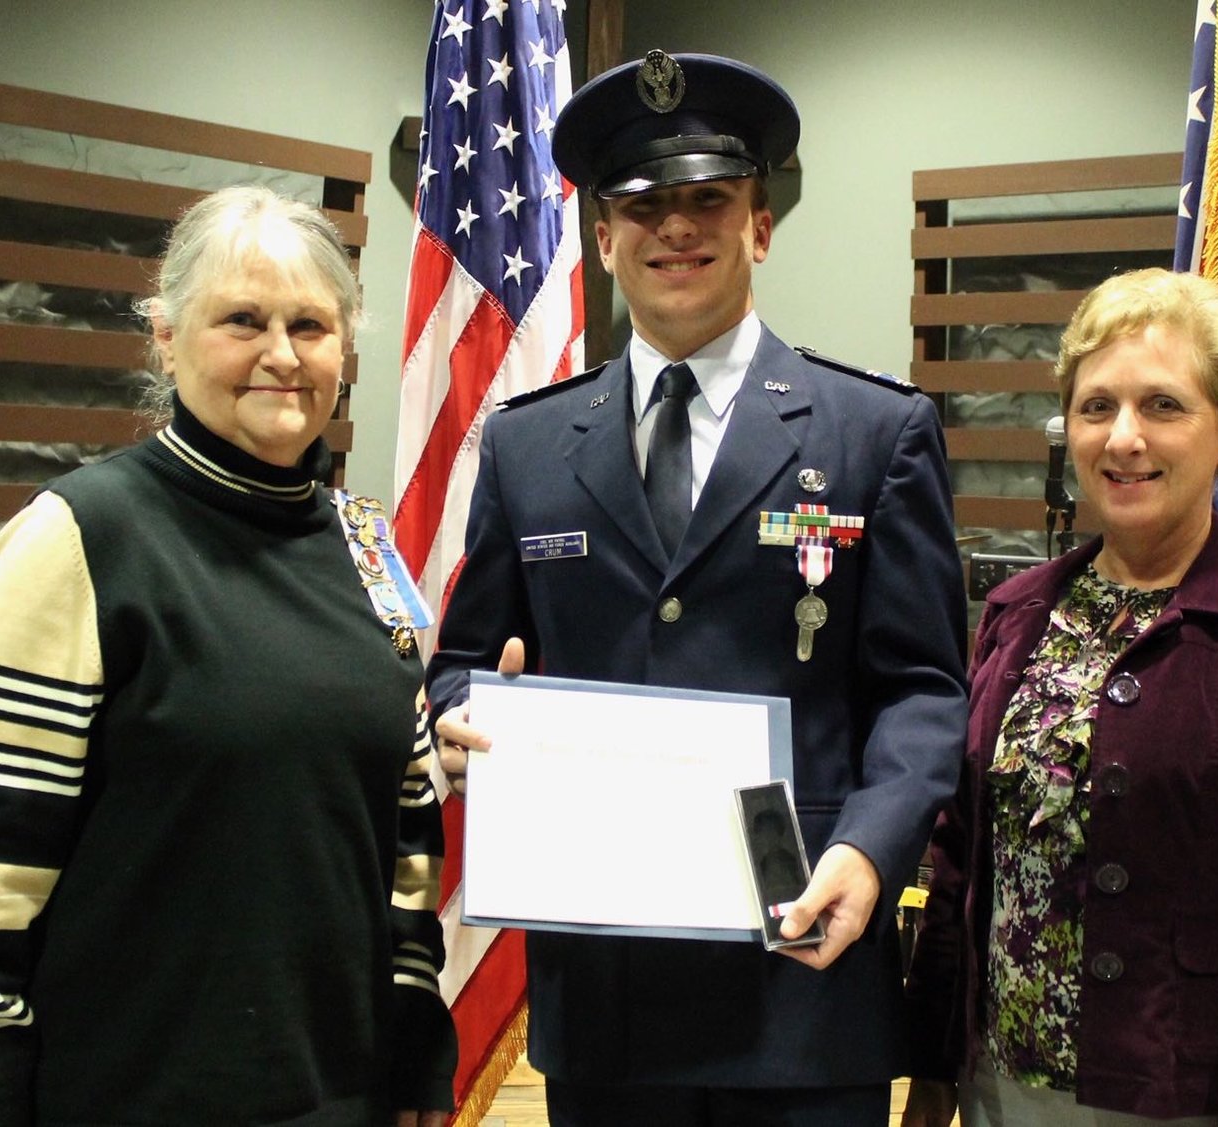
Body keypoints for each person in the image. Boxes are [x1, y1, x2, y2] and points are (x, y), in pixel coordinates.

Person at [427, 50, 968, 1127]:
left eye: (707, 200)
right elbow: (464, 663)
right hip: (607, 993)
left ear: (760, 225)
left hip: (803, 971)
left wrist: (869, 850)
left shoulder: (874, 433)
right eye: (642, 204)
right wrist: (460, 718)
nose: (675, 228)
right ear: (604, 235)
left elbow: (923, 687)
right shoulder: (530, 445)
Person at [0, 185, 456, 1125]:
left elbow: (404, 825)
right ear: (165, 335)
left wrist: (417, 1018)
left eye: (311, 325)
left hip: (339, 1092)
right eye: (242, 320)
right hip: (130, 1093)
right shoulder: (81, 537)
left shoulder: (362, 542)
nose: (281, 353)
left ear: (344, 350)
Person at [902, 268, 1218, 1127]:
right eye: (1097, 407)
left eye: (1163, 405)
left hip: (1182, 1094)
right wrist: (935, 1062)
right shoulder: (1017, 613)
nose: (1124, 437)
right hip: (1001, 1081)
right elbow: (961, 854)